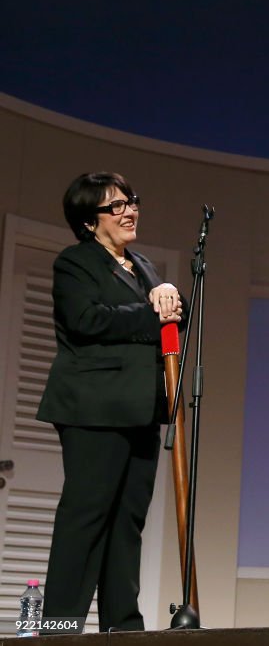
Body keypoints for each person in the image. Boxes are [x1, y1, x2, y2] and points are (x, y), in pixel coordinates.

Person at [37, 172, 185, 632]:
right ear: (89, 222)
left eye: (131, 201)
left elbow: (170, 327)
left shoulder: (141, 266)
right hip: (94, 408)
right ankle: (60, 628)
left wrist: (173, 298)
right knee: (86, 518)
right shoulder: (76, 262)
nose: (128, 211)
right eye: (115, 206)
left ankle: (123, 628)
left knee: (128, 525)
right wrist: (151, 311)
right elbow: (85, 320)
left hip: (142, 409)